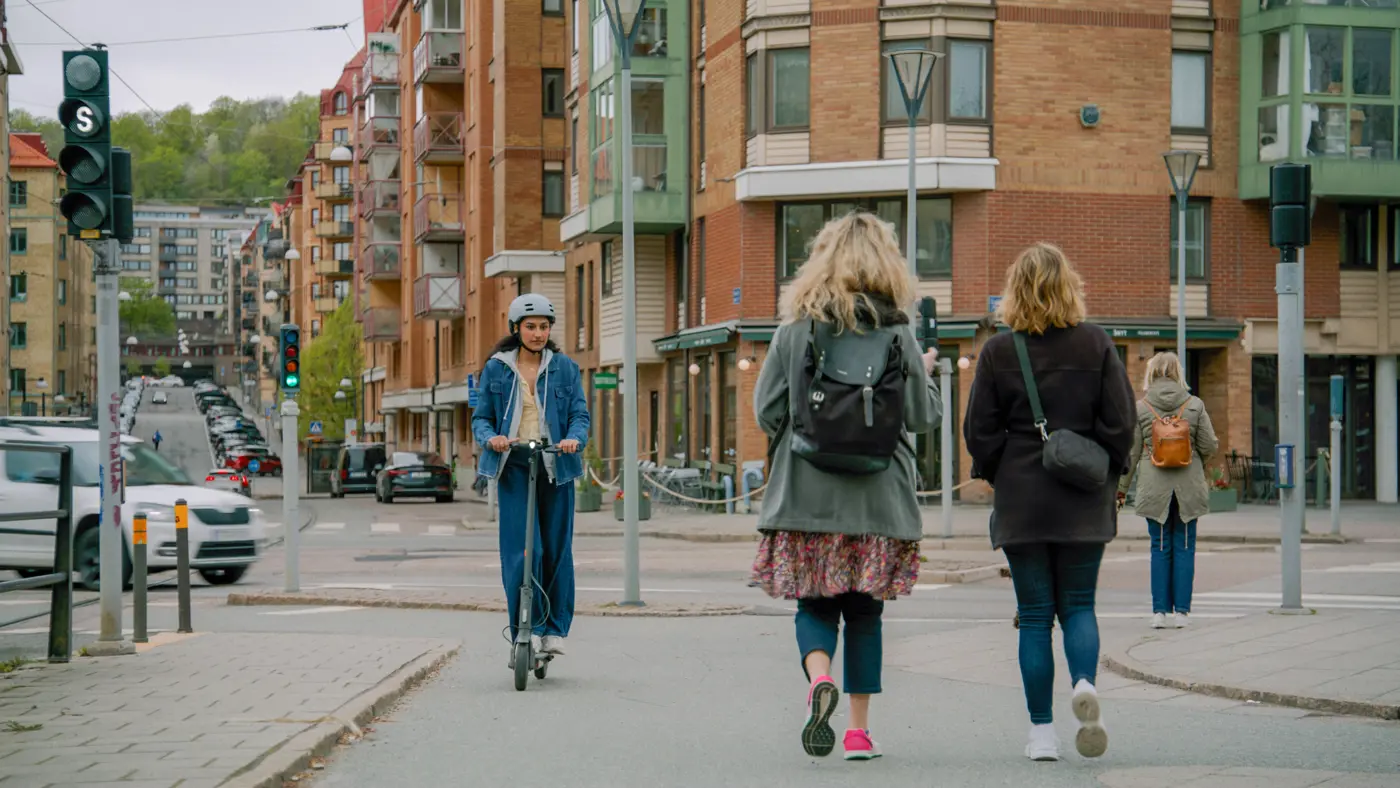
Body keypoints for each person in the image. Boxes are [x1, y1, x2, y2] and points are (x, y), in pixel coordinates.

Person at [750, 211, 941, 762]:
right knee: (865, 613)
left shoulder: (794, 332)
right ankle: (858, 733)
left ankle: (817, 681)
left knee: (813, 606)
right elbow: (923, 418)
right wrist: (923, 368)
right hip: (878, 500)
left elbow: (766, 412)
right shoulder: (899, 332)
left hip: (806, 498)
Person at [963, 242, 1136, 762]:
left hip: (1023, 500)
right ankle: (1085, 684)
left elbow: (979, 432)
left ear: (1014, 291)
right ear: (1070, 286)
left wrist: (1003, 472)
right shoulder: (1097, 344)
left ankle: (1042, 733)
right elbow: (1121, 424)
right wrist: (1104, 470)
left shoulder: (997, 351)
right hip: (1083, 499)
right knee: (1079, 605)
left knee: (1035, 615)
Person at [471, 294, 590, 663]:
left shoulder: (565, 368)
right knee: (524, 552)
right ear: (516, 329)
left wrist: (574, 439)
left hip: (557, 465)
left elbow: (580, 415)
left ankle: (553, 630)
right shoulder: (496, 369)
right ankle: (524, 626)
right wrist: (491, 437)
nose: (538, 333)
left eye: (543, 327)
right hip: (514, 465)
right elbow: (481, 417)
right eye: (531, 327)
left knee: (555, 551)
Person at [1118, 352, 1218, 630]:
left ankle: (1159, 612)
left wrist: (1121, 490)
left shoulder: (1141, 408)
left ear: (1152, 374)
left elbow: (1132, 451)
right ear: (1177, 373)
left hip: (1154, 487)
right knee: (1185, 546)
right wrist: (1196, 461)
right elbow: (1210, 445)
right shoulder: (1194, 405)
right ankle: (1182, 613)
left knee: (1159, 547)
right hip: (1188, 486)